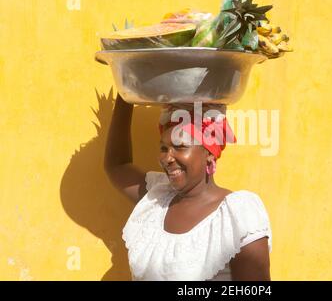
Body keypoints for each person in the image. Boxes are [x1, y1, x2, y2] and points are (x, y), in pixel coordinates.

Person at [104, 93, 272, 281]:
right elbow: (116, 165)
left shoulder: (237, 214)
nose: (167, 158)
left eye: (180, 146)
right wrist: (125, 92)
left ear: (209, 152)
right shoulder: (158, 198)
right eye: (163, 148)